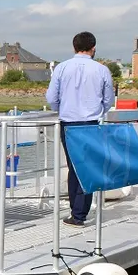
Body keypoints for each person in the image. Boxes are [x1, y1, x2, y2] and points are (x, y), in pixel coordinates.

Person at [44, 31, 114, 227]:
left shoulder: (61, 68)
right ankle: (79, 213)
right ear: (93, 48)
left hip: (68, 123)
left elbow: (51, 98)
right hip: (91, 123)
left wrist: (60, 108)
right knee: (88, 166)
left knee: (73, 166)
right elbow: (109, 99)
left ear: (74, 47)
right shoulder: (101, 70)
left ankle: (76, 210)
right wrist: (100, 110)